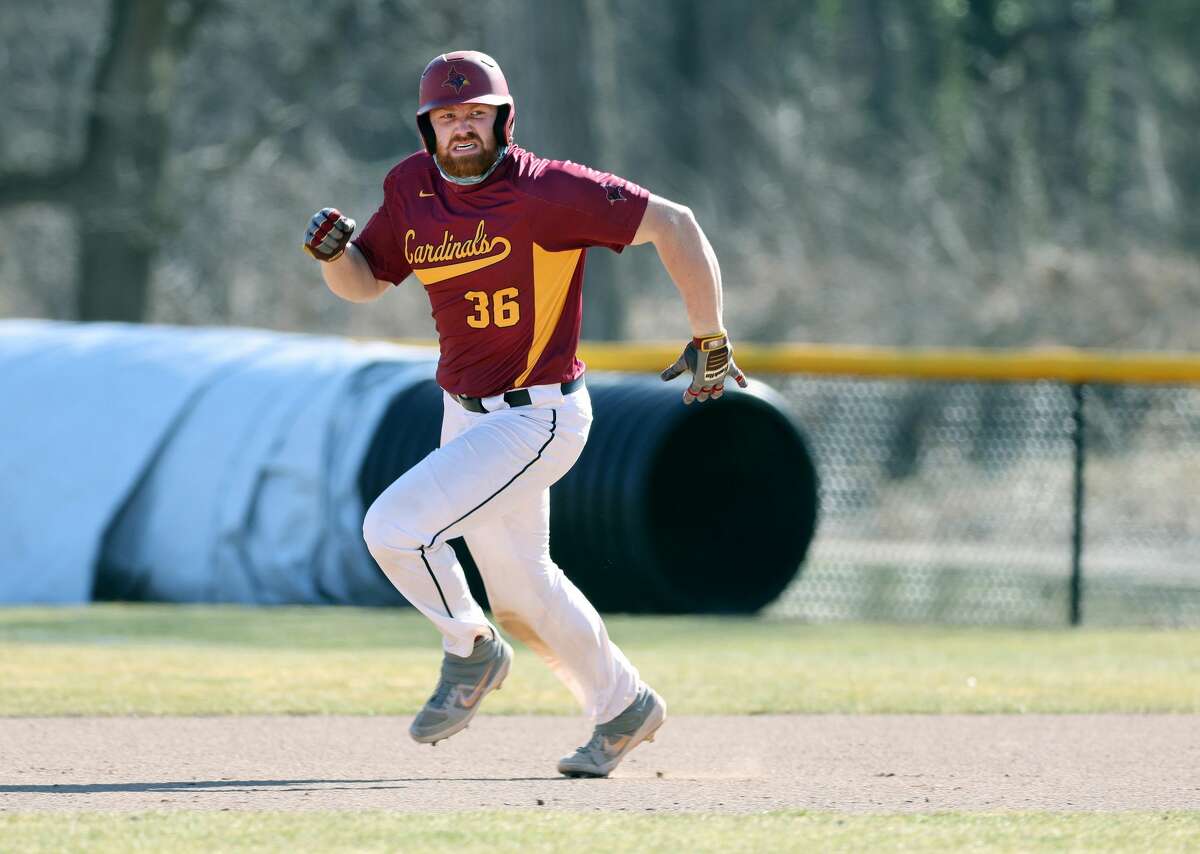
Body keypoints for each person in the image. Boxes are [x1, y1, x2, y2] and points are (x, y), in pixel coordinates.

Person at [304, 50, 746, 778]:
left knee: (393, 528)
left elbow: (677, 224)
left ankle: (471, 649)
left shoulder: (547, 190)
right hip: (465, 412)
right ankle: (623, 706)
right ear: (427, 129)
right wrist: (332, 257)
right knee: (521, 586)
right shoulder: (410, 188)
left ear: (503, 119)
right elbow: (366, 282)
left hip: (537, 418)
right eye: (447, 117)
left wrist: (710, 337)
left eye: (476, 113)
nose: (462, 128)